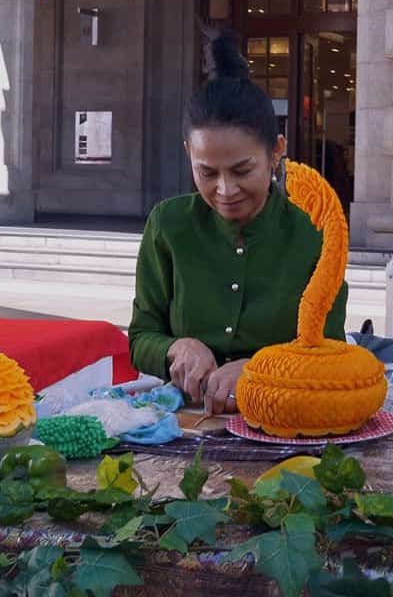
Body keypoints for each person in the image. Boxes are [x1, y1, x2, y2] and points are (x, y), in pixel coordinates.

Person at [128, 29, 348, 414]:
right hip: (182, 425)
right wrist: (177, 347)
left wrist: (263, 369)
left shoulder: (315, 231)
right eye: (207, 172)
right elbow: (142, 337)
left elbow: (332, 353)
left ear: (276, 151)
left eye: (242, 170)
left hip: (285, 421)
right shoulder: (169, 224)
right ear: (188, 154)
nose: (225, 190)